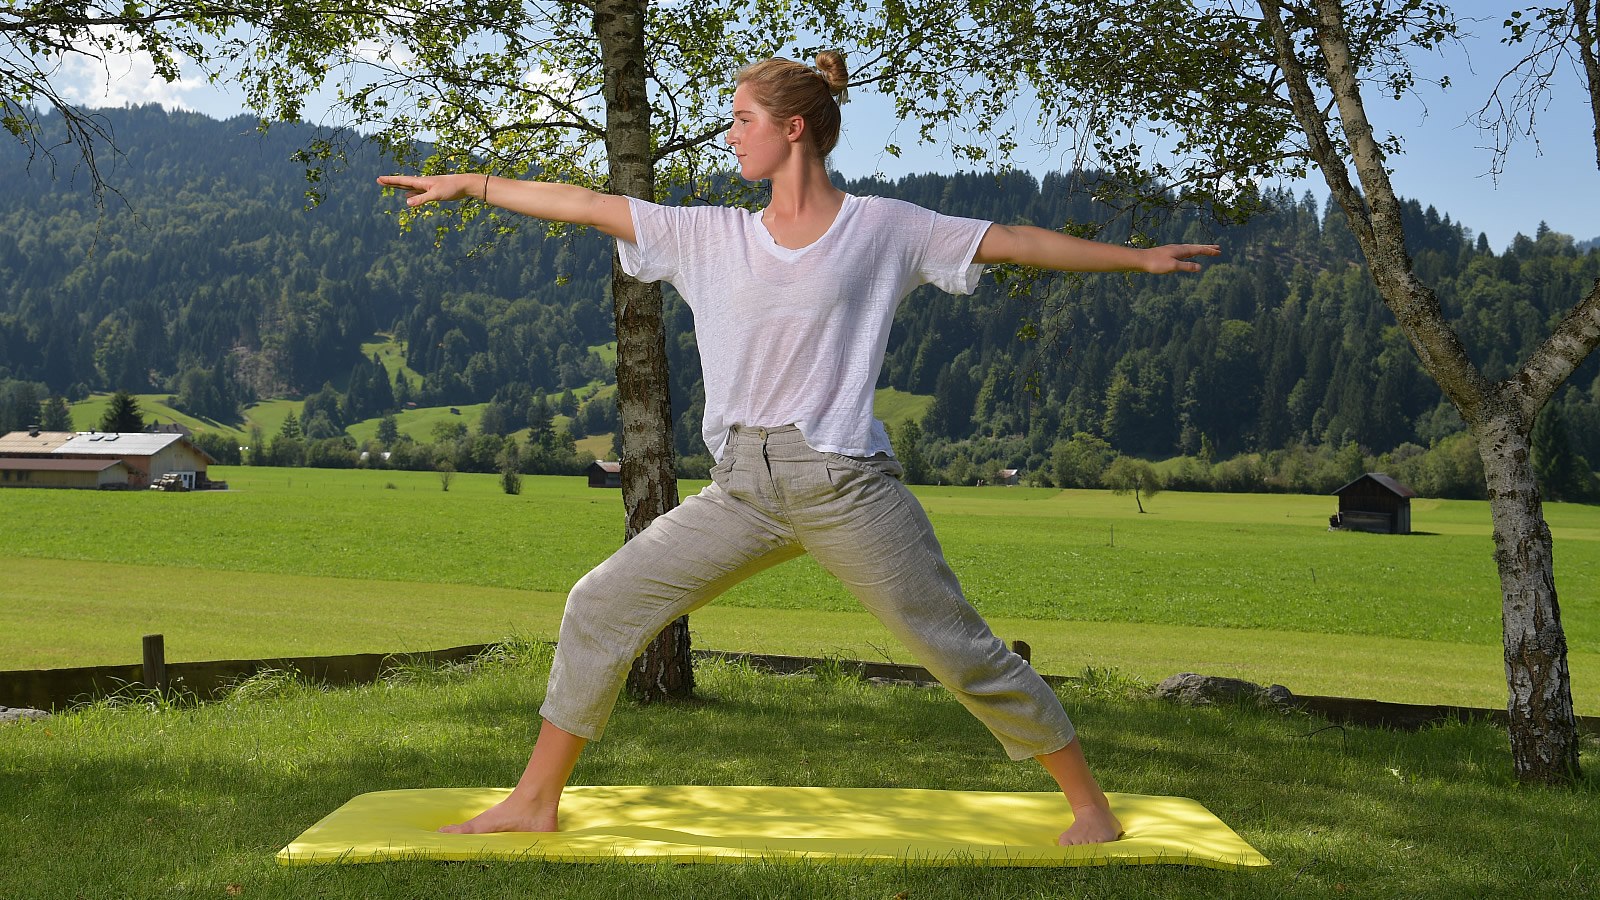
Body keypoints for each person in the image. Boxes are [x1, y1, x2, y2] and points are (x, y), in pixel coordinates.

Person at [377, 51, 1219, 847]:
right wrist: (474, 185)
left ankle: (1089, 805)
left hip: (845, 484)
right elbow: (587, 204)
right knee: (599, 604)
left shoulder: (885, 228)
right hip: (743, 486)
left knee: (957, 648)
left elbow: (1016, 241)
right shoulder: (710, 235)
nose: (730, 134)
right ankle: (532, 801)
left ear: (794, 129)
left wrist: (1137, 259)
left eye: (741, 119)